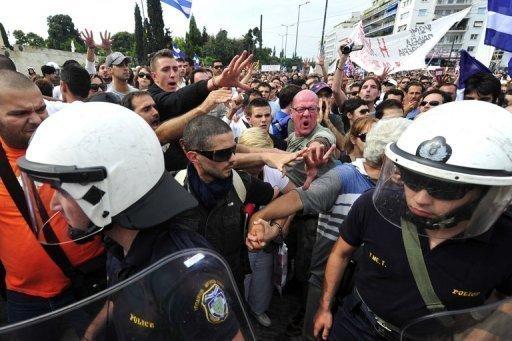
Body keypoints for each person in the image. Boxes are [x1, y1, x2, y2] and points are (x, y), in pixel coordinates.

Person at [17, 102, 244, 340]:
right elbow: (121, 294)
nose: (53, 204)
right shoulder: (120, 246)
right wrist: (90, 334)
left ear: (108, 189)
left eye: (62, 191)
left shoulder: (184, 278)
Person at [313, 100, 512, 340]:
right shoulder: (373, 207)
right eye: (412, 180)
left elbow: (504, 301)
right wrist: (325, 306)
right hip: (359, 325)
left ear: (484, 192)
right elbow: (341, 253)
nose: (421, 199)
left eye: (445, 190)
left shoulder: (505, 240)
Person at [247, 118, 410, 340]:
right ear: (387, 154)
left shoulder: (406, 188)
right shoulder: (344, 176)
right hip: (325, 279)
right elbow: (299, 198)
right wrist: (261, 216)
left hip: (367, 287)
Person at [0, 70, 104, 326]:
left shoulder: (74, 142)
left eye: (40, 109)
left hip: (93, 280)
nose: (36, 119)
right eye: (20, 114)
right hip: (28, 298)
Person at [178, 115, 276, 289]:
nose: (232, 158)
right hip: (188, 291)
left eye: (233, 149)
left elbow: (277, 195)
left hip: (232, 287)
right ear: (193, 156)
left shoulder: (240, 182)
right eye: (222, 154)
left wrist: (264, 221)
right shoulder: (174, 190)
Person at [238, 127, 294, 327]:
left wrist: (281, 225)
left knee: (262, 279)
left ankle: (258, 309)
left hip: (265, 241)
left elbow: (294, 196)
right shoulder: (231, 174)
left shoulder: (273, 172)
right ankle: (239, 317)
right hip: (237, 244)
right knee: (240, 282)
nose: (256, 165)